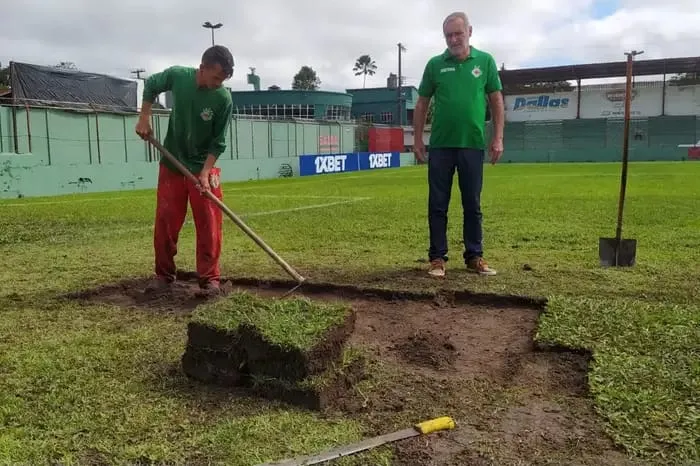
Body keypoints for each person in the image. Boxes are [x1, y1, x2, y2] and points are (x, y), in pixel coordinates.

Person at [135, 45, 235, 295]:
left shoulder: (223, 99)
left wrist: (204, 172)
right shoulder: (179, 76)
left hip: (204, 167)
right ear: (202, 68)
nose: (217, 84)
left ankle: (210, 279)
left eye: (221, 81)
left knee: (210, 225)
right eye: (215, 78)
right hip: (173, 164)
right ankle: (164, 276)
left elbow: (218, 141)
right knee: (166, 222)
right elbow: (151, 85)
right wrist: (144, 117)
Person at [413, 11, 505, 278]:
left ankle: (475, 256)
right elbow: (422, 103)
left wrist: (497, 137)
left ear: (470, 32)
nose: (453, 39)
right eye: (449, 35)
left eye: (458, 33)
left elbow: (496, 101)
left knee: (472, 204)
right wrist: (418, 139)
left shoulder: (485, 62)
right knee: (438, 204)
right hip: (441, 146)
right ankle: (437, 259)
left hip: (472, 144)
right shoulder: (434, 65)